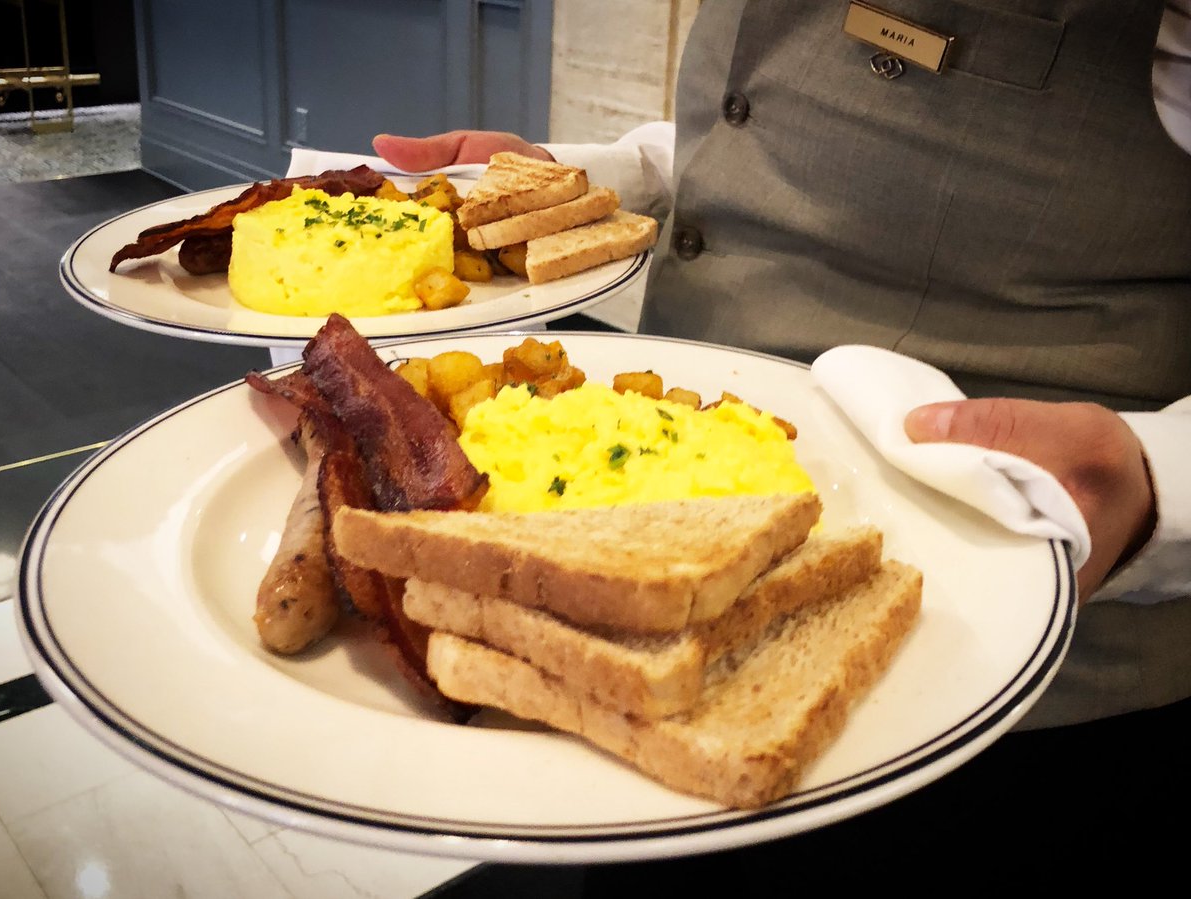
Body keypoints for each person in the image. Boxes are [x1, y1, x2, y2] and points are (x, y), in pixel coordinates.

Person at [371, 0, 1191, 729]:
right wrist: (587, 187)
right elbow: (765, 118)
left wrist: (1159, 483)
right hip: (640, 643)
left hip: (1002, 672)